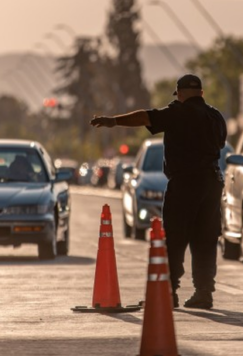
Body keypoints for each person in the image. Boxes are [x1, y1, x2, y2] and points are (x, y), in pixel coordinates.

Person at [90, 74, 227, 309]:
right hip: (211, 183)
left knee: (174, 237)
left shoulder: (177, 113)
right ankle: (204, 293)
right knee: (205, 238)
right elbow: (221, 144)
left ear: (180, 94)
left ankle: (168, 291)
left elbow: (145, 116)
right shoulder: (215, 116)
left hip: (185, 182)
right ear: (202, 94)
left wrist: (112, 121)